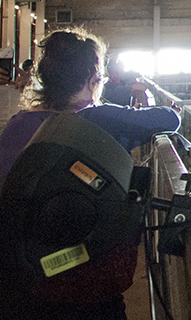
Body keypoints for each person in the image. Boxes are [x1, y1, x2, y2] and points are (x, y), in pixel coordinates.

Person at [0, 29, 181, 319]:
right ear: (93, 79)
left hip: (16, 280)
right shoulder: (100, 118)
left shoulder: (17, 124)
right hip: (85, 286)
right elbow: (170, 118)